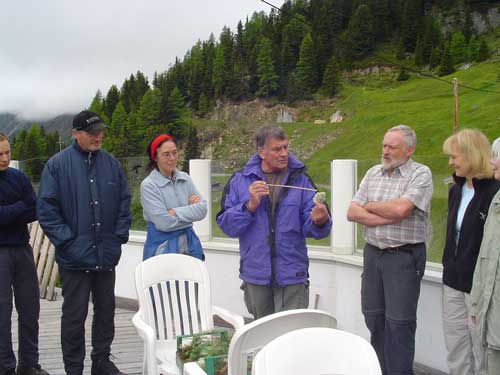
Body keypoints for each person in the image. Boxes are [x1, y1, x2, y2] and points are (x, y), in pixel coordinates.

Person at [37, 111, 131, 375]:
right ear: (75, 133)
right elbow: (46, 211)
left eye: (100, 131)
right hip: (74, 260)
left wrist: (117, 238)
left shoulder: (111, 165)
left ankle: (101, 363)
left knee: (106, 314)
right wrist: (69, 242)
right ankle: (74, 369)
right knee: (74, 318)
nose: (98, 136)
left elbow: (125, 202)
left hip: (105, 256)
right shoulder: (56, 166)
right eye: (92, 132)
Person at [216, 124, 331, 320]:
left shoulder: (301, 180)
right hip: (256, 275)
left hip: (292, 274)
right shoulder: (239, 180)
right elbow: (226, 225)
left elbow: (314, 228)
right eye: (277, 149)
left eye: (286, 147)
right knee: (261, 335)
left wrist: (320, 221)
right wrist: (249, 206)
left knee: (290, 336)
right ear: (261, 151)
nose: (284, 153)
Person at [347, 125, 433, 375]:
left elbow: (402, 210)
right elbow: (352, 212)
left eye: (391, 147)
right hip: (373, 255)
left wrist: (370, 206)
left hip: (403, 258)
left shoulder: (421, 174)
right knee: (373, 317)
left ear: (409, 150)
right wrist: (387, 214)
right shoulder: (374, 172)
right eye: (384, 145)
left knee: (399, 325)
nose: (384, 151)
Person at [441, 129, 500, 375]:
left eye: (454, 157)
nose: (450, 162)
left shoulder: (493, 192)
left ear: (472, 155)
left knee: (481, 350)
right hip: (452, 283)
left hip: (479, 287)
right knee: (456, 349)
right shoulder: (455, 190)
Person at [0, 133, 49, 375]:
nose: (5, 158)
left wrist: (10, 211)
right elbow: (23, 208)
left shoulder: (18, 177)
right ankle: (5, 366)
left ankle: (29, 364)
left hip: (22, 248)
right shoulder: (18, 183)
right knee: (2, 312)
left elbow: (34, 209)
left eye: (8, 152)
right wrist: (18, 208)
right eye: (0, 154)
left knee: (30, 309)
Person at [140, 134, 207, 260]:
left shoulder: (185, 178)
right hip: (161, 249)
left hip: (189, 247)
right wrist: (190, 212)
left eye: (175, 153)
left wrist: (174, 212)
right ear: (155, 157)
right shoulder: (149, 186)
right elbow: (164, 223)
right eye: (166, 154)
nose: (172, 158)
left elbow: (203, 209)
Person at [471, 137, 500, 375]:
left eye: (497, 155)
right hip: (492, 325)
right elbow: (486, 259)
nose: (492, 161)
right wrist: (478, 304)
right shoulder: (496, 202)